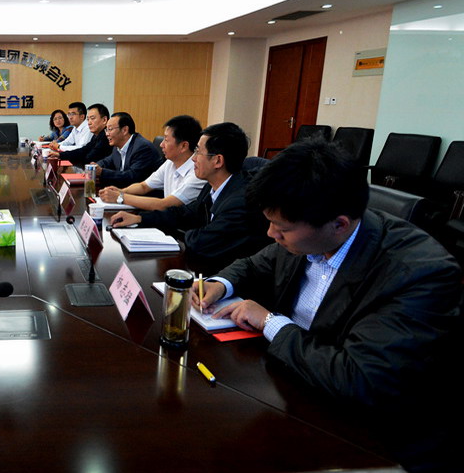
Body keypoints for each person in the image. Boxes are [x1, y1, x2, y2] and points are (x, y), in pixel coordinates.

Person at [194, 138, 462, 472]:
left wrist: (270, 322)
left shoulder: (418, 274)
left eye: (282, 228)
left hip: (368, 438)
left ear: (339, 224)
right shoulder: (307, 231)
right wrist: (221, 284)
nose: (271, 234)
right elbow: (256, 264)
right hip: (295, 389)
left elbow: (357, 378)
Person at [110, 122, 269, 269]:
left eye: (198, 152)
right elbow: (184, 213)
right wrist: (140, 219)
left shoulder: (240, 202)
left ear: (218, 161)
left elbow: (201, 242)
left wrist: (175, 235)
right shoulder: (212, 185)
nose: (193, 158)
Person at [99, 115, 205, 211]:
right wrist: (121, 191)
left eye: (166, 140)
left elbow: (164, 205)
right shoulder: (170, 163)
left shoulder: (197, 173)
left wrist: (120, 197)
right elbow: (144, 186)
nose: (161, 145)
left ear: (183, 146)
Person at [91, 112, 162, 188]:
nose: (107, 134)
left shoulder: (142, 148)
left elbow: (132, 177)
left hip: (146, 193)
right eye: (106, 130)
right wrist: (95, 167)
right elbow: (107, 161)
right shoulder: (117, 146)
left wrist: (102, 172)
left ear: (124, 130)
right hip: (126, 191)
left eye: (110, 129)